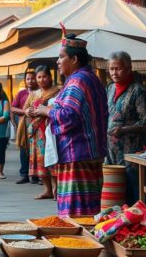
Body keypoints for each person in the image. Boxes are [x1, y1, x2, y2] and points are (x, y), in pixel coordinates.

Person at [32, 31, 108, 217]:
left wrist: (46, 111)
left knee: (76, 212)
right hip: (91, 152)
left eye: (61, 57)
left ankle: (81, 245)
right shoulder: (92, 78)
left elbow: (68, 116)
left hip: (77, 154)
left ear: (74, 59)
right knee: (90, 208)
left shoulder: (77, 81)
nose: (57, 62)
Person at [106, 51, 146, 205]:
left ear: (129, 68)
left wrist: (123, 129)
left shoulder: (138, 91)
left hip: (131, 151)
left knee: (132, 188)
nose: (114, 73)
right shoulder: (110, 88)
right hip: (111, 150)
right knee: (115, 190)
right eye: (111, 69)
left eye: (118, 68)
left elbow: (145, 123)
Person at [24, 65, 60, 199]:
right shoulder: (34, 94)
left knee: (53, 157)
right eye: (39, 77)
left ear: (50, 77)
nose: (41, 79)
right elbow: (25, 109)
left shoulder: (57, 91)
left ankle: (56, 188)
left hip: (50, 129)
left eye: (44, 76)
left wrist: (44, 110)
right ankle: (47, 189)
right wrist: (28, 112)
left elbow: (58, 107)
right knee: (40, 160)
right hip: (37, 131)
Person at [11, 68, 39, 184]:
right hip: (24, 124)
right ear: (25, 80)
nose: (31, 81)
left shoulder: (42, 92)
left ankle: (37, 175)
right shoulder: (21, 93)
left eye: (33, 78)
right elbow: (13, 108)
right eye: (28, 79)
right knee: (24, 150)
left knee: (38, 151)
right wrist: (24, 112)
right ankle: (24, 174)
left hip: (38, 124)